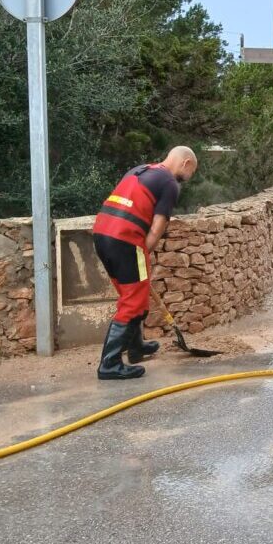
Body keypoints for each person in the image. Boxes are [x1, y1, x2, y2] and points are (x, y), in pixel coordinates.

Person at [91, 146, 198, 380]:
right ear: (186, 163)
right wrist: (142, 254)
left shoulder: (140, 170)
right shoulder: (170, 183)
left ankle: (136, 348)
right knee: (133, 302)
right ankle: (109, 364)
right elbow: (158, 227)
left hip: (102, 236)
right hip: (126, 241)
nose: (188, 178)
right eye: (192, 172)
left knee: (132, 295)